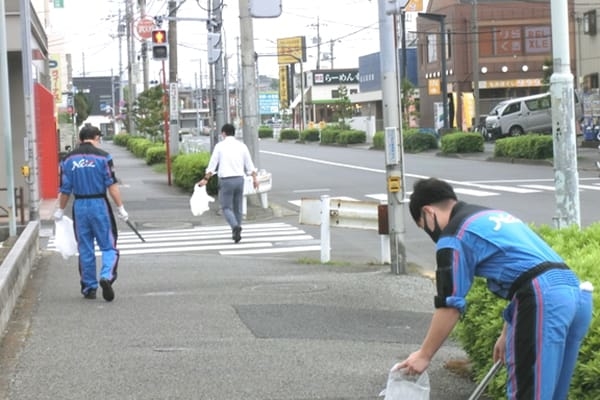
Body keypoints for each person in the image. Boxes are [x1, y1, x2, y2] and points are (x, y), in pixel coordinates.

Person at [396, 177, 592, 399]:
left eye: (423, 227)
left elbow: (449, 305)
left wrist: (424, 354)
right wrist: (509, 329)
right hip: (575, 294)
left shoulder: (453, 235)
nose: (429, 234)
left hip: (543, 300)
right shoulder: (488, 215)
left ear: (428, 212)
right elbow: (526, 270)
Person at [53, 125, 129, 302]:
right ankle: (106, 276)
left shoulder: (68, 160)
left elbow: (65, 189)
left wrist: (59, 210)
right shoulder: (103, 157)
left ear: (80, 139)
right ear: (96, 137)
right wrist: (121, 208)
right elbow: (112, 186)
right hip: (99, 204)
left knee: (85, 248)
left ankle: (89, 287)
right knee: (109, 246)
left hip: (79, 205)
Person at [197, 123, 258, 243]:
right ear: (234, 133)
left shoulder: (220, 146)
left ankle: (235, 227)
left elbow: (212, 165)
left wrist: (205, 179)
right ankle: (236, 232)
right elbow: (250, 165)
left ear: (223, 133)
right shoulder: (242, 146)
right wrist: (255, 178)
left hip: (226, 181)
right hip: (240, 180)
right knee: (238, 208)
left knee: (225, 207)